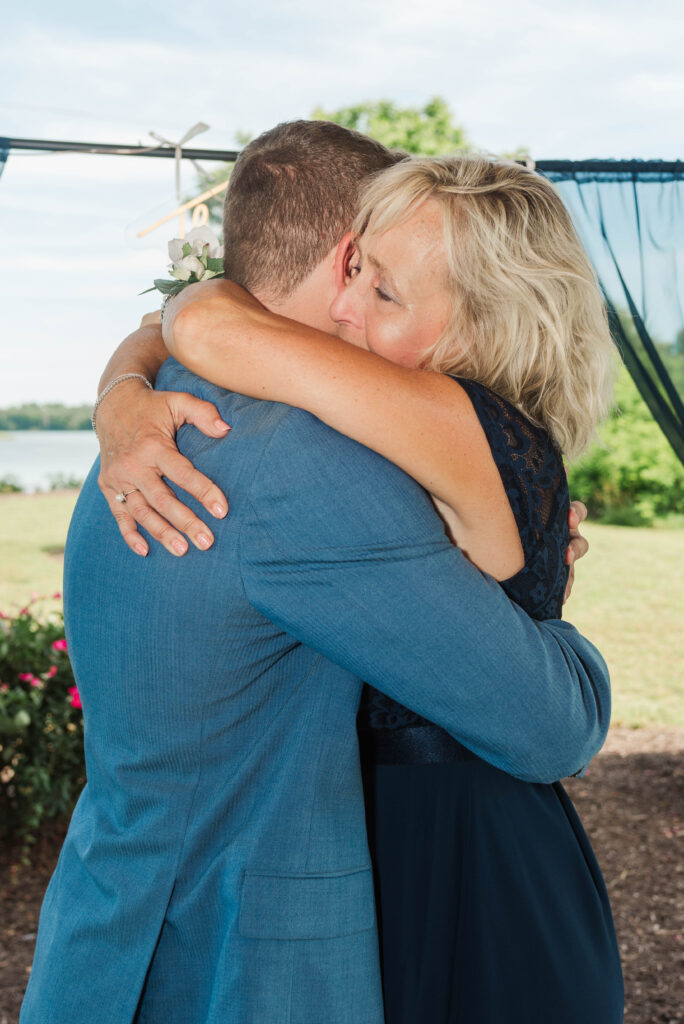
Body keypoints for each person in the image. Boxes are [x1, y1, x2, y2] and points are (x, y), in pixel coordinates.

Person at [21, 123, 611, 1024]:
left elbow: (185, 317)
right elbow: (551, 724)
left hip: (110, 921)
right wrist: (561, 633)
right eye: (366, 272)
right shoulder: (298, 461)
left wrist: (124, 383)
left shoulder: (158, 424)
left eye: (391, 281)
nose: (359, 302)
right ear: (344, 259)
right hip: (237, 961)